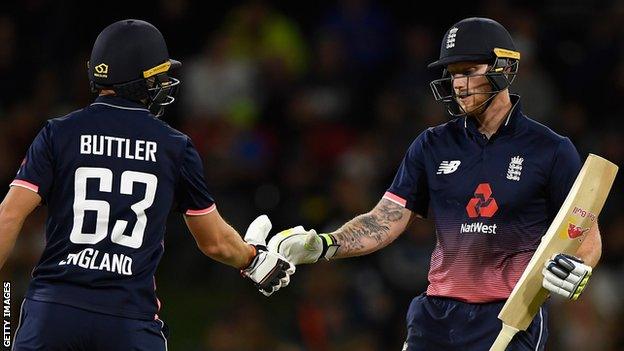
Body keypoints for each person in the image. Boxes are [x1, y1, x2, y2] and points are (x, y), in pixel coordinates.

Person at [268, 17, 601, 350]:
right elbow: (385, 220)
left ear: (505, 68)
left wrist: (579, 267)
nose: (458, 84)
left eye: (469, 70)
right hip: (436, 316)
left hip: (510, 315)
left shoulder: (550, 149)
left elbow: (584, 232)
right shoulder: (432, 145)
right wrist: (325, 244)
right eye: (453, 73)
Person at [0, 19, 294, 350]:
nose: (163, 83)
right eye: (157, 75)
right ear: (140, 78)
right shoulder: (174, 145)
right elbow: (214, 243)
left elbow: (8, 216)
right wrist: (252, 258)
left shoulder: (58, 132)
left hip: (52, 311)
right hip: (127, 319)